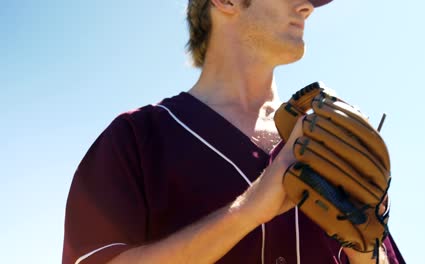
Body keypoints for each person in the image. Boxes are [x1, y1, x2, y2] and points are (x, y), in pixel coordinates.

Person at [62, 0, 405, 263]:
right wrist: (245, 212)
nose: (307, 7)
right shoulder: (137, 138)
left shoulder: (329, 142)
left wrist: (367, 250)